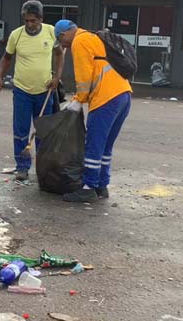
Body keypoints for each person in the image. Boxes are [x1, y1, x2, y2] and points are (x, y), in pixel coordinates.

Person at [54, 19, 132, 203]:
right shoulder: (93, 37)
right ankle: (101, 186)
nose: (63, 46)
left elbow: (83, 76)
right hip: (123, 95)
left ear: (64, 34)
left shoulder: (79, 42)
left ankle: (88, 187)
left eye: (61, 41)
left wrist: (79, 100)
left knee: (94, 144)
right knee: (105, 146)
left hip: (106, 98)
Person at [0, 1, 64, 182]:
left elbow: (59, 54)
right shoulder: (16, 35)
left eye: (33, 21)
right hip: (22, 91)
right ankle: (22, 167)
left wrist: (57, 77)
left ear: (40, 19)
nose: (29, 25)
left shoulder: (50, 32)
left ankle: (42, 167)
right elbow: (6, 58)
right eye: (26, 21)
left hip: (45, 91)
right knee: (21, 130)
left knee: (43, 131)